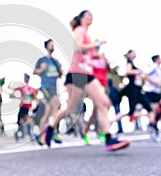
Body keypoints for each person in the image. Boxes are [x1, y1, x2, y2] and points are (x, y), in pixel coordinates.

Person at [43, 10, 130, 151]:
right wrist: (96, 44)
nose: (91, 18)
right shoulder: (79, 30)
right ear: (81, 18)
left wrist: (98, 56)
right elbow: (77, 48)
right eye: (88, 16)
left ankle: (109, 139)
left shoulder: (87, 34)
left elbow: (89, 54)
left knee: (103, 103)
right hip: (76, 74)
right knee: (71, 109)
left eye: (92, 16)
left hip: (87, 74)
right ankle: (51, 128)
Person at [114, 50, 158, 142]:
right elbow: (128, 71)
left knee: (150, 110)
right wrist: (138, 71)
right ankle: (110, 124)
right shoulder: (129, 62)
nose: (135, 54)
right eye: (133, 53)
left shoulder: (133, 63)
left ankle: (152, 128)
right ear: (130, 54)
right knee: (130, 112)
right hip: (132, 91)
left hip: (138, 90)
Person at [33, 39, 63, 145]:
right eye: (51, 44)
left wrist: (60, 70)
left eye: (53, 44)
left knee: (48, 112)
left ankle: (41, 135)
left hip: (54, 88)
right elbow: (34, 72)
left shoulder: (55, 61)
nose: (52, 46)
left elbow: (59, 75)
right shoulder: (42, 60)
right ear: (46, 46)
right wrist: (42, 69)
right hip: (46, 87)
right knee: (56, 106)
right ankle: (53, 132)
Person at [12, 73, 38, 141]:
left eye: (27, 78)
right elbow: (14, 91)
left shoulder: (31, 88)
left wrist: (34, 103)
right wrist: (19, 97)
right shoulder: (22, 87)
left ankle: (28, 135)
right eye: (25, 78)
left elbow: (34, 96)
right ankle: (26, 135)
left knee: (26, 121)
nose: (26, 79)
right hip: (23, 106)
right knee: (22, 121)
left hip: (27, 107)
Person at [142, 54, 161, 139]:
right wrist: (154, 83)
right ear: (157, 59)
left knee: (156, 111)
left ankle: (153, 126)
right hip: (150, 91)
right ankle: (152, 127)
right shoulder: (153, 67)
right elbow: (145, 75)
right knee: (153, 111)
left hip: (156, 92)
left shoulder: (157, 67)